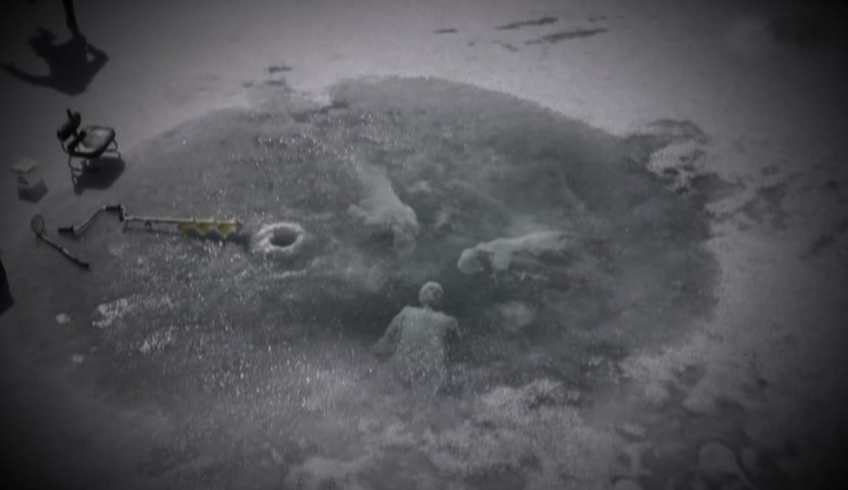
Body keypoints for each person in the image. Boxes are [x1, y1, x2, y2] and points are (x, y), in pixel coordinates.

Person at [373, 282, 461, 394]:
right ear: (440, 301)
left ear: (421, 296)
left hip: (403, 366)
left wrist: (375, 354)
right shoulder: (449, 321)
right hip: (431, 372)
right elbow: (457, 354)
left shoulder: (406, 312)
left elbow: (386, 342)